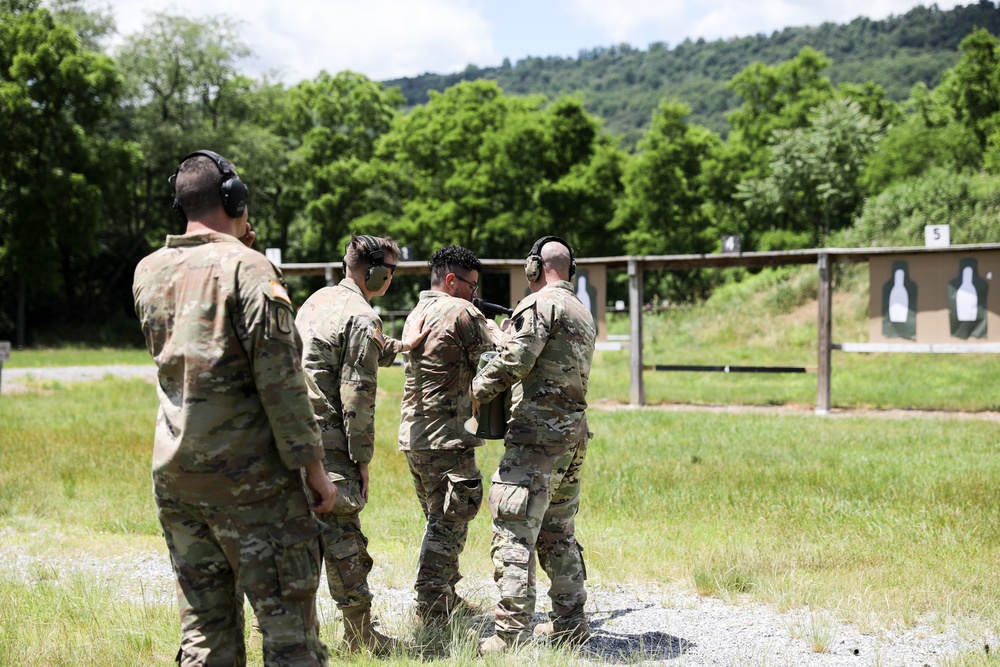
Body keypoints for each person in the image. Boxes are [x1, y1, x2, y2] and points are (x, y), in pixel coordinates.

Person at [133, 150, 337, 667]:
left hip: (178, 479)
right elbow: (282, 383)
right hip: (254, 484)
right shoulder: (251, 269)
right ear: (235, 198)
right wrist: (315, 469)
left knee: (204, 632)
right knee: (290, 635)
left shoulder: (148, 271)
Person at [295, 234, 424, 656]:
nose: (390, 279)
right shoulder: (364, 316)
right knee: (344, 539)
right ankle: (360, 636)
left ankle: (288, 635)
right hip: (328, 442)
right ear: (375, 272)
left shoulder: (316, 301)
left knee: (292, 538)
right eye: (389, 271)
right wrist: (361, 459)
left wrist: (404, 345)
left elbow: (355, 351)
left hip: (289, 437)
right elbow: (357, 395)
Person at [470, 236, 597, 654]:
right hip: (571, 437)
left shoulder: (538, 304)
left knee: (513, 531)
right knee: (558, 531)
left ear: (534, 267)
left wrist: (477, 388)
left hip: (535, 440)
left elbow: (515, 361)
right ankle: (571, 623)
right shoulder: (581, 310)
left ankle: (510, 635)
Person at [397, 246, 502, 626]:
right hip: (447, 437)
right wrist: (497, 330)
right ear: (451, 280)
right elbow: (498, 359)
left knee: (436, 518)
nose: (475, 294)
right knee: (449, 523)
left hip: (415, 435)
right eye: (471, 285)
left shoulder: (417, 311)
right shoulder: (462, 311)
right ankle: (431, 608)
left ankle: (443, 597)